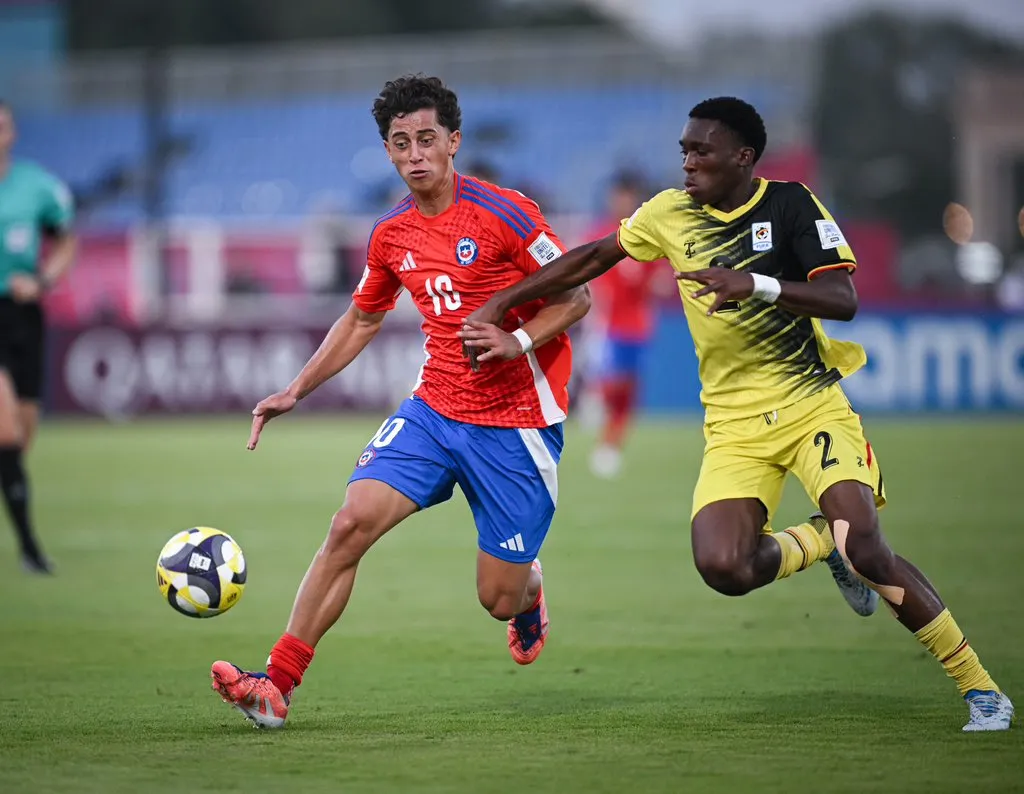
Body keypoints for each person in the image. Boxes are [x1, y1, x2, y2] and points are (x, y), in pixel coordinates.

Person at [460, 96, 1013, 732]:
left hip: (811, 406)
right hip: (733, 427)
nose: (688, 164)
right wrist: (506, 298)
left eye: (702, 152)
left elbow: (843, 298)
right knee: (724, 568)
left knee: (865, 547)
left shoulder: (791, 205)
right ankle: (815, 543)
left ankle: (980, 690)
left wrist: (756, 285)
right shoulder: (668, 213)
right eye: (684, 152)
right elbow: (590, 258)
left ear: (743, 158)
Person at [210, 75, 590, 729]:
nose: (414, 154)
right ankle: (277, 683)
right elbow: (361, 318)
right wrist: (296, 389)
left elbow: (576, 295)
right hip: (435, 410)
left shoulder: (506, 212)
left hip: (516, 424)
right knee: (348, 524)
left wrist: (517, 338)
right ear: (388, 151)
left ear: (453, 142)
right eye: (400, 143)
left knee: (497, 599)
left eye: (426, 139)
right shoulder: (391, 234)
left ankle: (529, 589)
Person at [0, 100, 77, 574]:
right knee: (5, 427)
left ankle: (26, 546)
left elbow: (67, 239)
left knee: (20, 439)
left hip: (22, 316)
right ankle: (30, 550)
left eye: (3, 123)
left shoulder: (36, 186)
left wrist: (44, 279)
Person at [583, 169, 671, 479]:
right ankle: (596, 406)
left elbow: (661, 280)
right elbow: (585, 276)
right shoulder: (601, 231)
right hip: (607, 326)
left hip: (638, 327)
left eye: (628, 195)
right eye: (618, 194)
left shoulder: (645, 235)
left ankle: (610, 445)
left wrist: (660, 282)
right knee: (612, 384)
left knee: (628, 392)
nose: (622, 200)